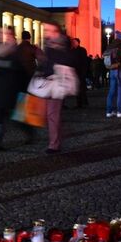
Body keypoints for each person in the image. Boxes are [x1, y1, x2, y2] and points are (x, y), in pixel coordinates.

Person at [0, 27, 34, 151]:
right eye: (0, 33)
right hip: (1, 92)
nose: (2, 36)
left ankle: (30, 133)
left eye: (5, 34)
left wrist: (23, 91)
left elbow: (24, 72)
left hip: (13, 91)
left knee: (16, 118)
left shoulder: (17, 52)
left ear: (12, 36)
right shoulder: (0, 53)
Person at [41, 22, 74, 153]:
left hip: (57, 82)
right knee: (49, 114)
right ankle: (56, 139)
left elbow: (66, 61)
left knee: (52, 114)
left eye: (47, 29)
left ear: (56, 31)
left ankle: (54, 144)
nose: (45, 32)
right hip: (48, 81)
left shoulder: (62, 44)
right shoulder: (49, 45)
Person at [105, 31, 121, 118]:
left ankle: (109, 111)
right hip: (120, 70)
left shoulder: (110, 46)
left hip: (111, 69)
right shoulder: (120, 46)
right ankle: (120, 111)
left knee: (111, 91)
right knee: (120, 91)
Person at [71, 38, 89, 108]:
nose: (73, 43)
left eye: (75, 42)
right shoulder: (71, 51)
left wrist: (84, 71)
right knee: (77, 88)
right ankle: (81, 102)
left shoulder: (82, 50)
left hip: (81, 71)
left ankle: (82, 102)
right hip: (74, 72)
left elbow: (84, 61)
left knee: (81, 88)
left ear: (78, 43)